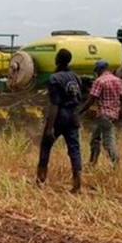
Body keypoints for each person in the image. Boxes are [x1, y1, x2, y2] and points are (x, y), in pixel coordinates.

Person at [36, 48, 84, 193]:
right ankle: (77, 181)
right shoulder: (76, 77)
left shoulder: (54, 79)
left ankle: (40, 180)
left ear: (57, 60)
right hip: (73, 115)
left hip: (60, 115)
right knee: (74, 148)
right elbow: (79, 98)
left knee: (46, 145)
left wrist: (50, 127)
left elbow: (54, 104)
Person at [78, 60, 122, 167]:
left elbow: (91, 99)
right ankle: (92, 162)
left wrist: (80, 111)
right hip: (114, 115)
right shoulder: (117, 80)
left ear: (98, 70)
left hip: (104, 115)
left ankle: (115, 162)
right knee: (95, 139)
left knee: (108, 141)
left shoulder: (99, 81)